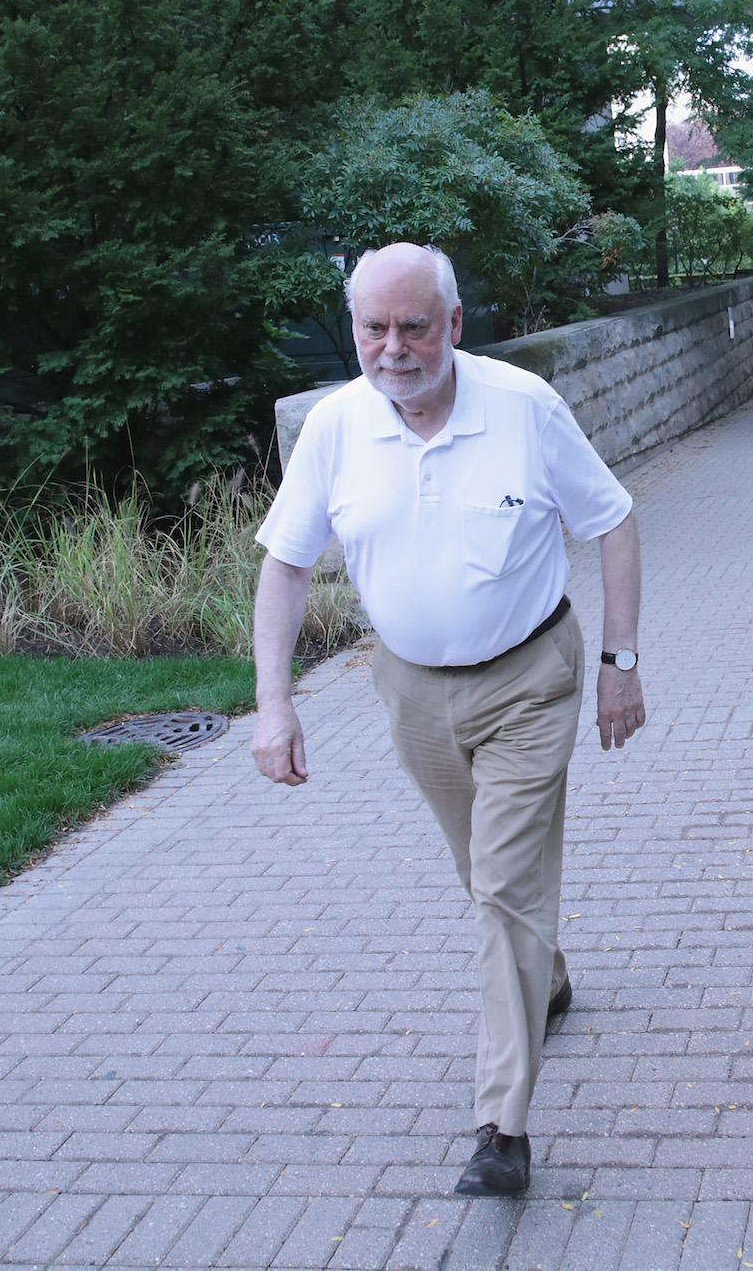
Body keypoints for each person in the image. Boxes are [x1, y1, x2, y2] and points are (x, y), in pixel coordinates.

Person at [250, 243, 645, 1198]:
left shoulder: (522, 408)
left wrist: (618, 666)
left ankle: (499, 1127)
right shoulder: (338, 427)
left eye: (413, 326)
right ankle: (544, 975)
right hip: (412, 689)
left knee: (504, 882)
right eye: (373, 329)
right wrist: (274, 700)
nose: (393, 349)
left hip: (530, 679)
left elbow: (616, 521)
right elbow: (288, 564)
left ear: (454, 326)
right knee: (484, 873)